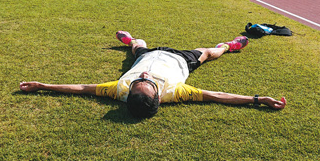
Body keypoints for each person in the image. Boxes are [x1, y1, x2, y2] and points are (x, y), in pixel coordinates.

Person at [19, 31, 286, 118]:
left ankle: (131, 40)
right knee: (207, 52)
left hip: (147, 54)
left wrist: (43, 84)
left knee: (137, 47)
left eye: (139, 81)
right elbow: (215, 96)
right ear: (158, 95)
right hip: (180, 60)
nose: (144, 77)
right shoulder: (175, 93)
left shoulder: (120, 91)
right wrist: (257, 99)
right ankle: (230, 45)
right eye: (146, 82)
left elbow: (82, 88)